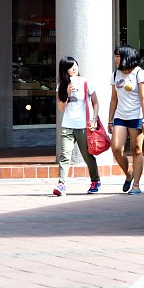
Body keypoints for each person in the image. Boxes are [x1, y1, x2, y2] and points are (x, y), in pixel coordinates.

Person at [54, 56, 101, 196]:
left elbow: (96, 102)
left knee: (87, 155)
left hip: (83, 125)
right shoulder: (61, 85)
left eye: (75, 65)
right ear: (64, 70)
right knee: (64, 156)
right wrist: (67, 93)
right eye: (70, 66)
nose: (74, 68)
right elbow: (61, 108)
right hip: (67, 125)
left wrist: (94, 119)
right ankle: (61, 184)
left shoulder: (86, 82)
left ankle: (95, 180)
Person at [108, 45, 144, 195]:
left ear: (126, 56)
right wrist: (110, 120)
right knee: (116, 148)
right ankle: (128, 174)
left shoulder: (140, 73)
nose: (115, 59)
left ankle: (136, 185)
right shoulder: (115, 75)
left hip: (136, 116)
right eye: (115, 56)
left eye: (118, 56)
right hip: (120, 116)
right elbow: (114, 100)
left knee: (136, 149)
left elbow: (143, 98)